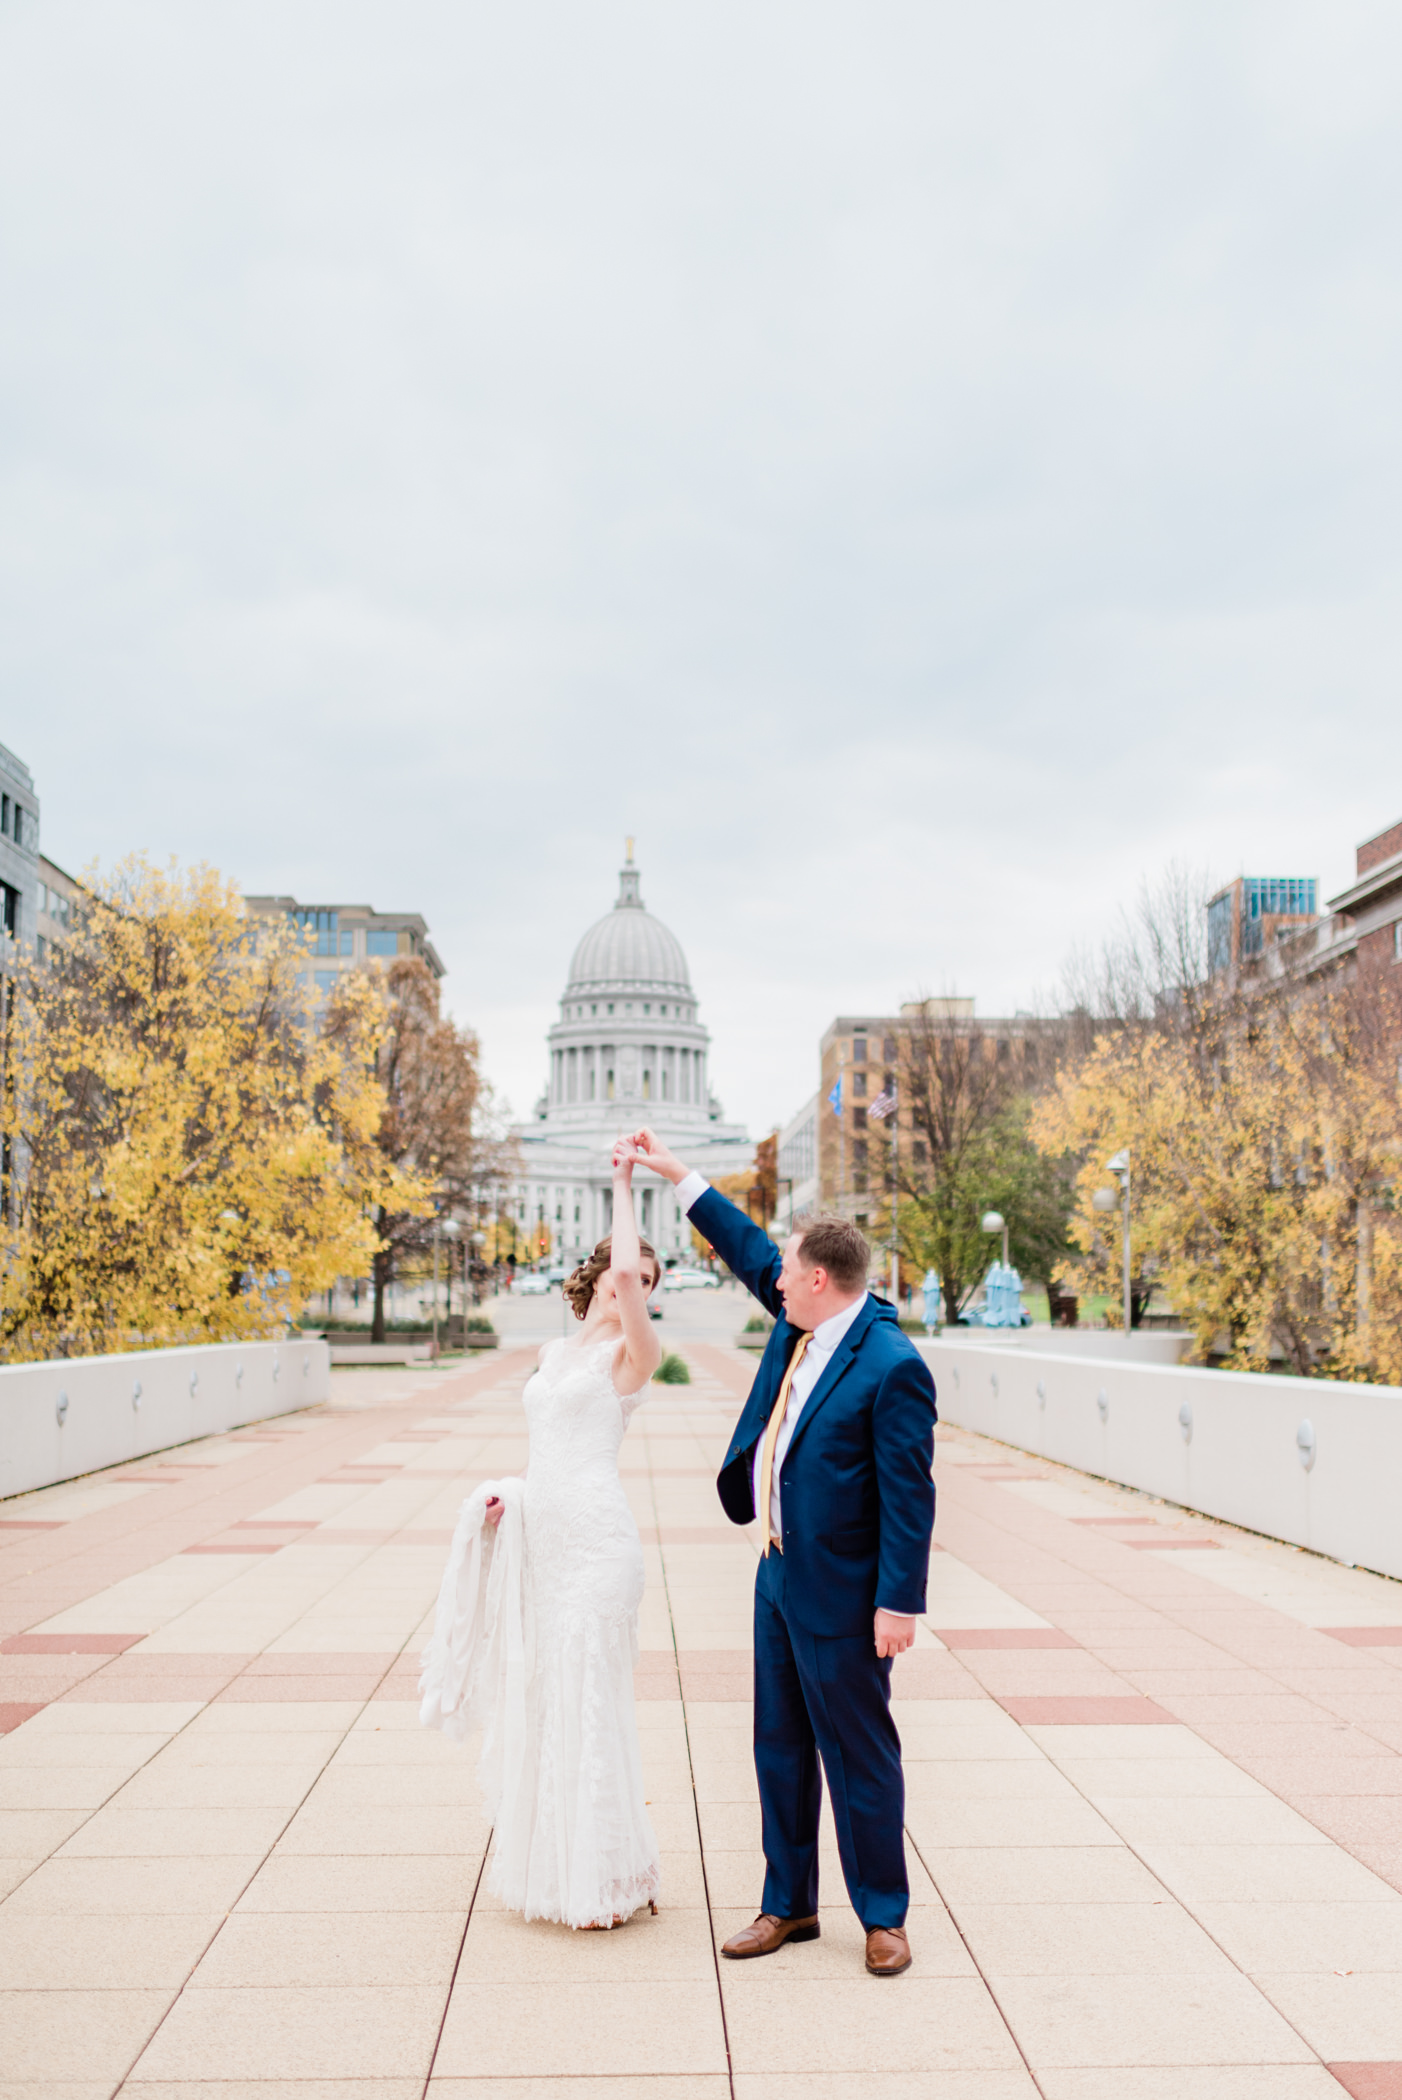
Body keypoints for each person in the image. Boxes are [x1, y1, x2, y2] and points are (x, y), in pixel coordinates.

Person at [622, 1127, 936, 1977]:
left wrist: (899, 1604)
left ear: (820, 1282)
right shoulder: (803, 1320)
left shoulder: (890, 1366)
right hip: (776, 1574)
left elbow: (912, 1496)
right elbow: (749, 1246)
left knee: (859, 1754)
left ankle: (883, 1915)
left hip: (846, 1592)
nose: (776, 1282)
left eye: (789, 1275)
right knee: (781, 1746)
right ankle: (789, 1904)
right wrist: (678, 1174)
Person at [419, 1143, 663, 1930]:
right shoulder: (553, 1354)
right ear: (592, 1281)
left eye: (651, 1287)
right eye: (633, 1281)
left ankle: (604, 1877)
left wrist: (625, 1184)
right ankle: (585, 1869)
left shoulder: (634, 1356)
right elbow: (545, 1454)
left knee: (591, 1700)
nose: (639, 1293)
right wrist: (505, 1503)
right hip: (546, 1542)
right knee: (552, 1701)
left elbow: (629, 1277)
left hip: (599, 1547)